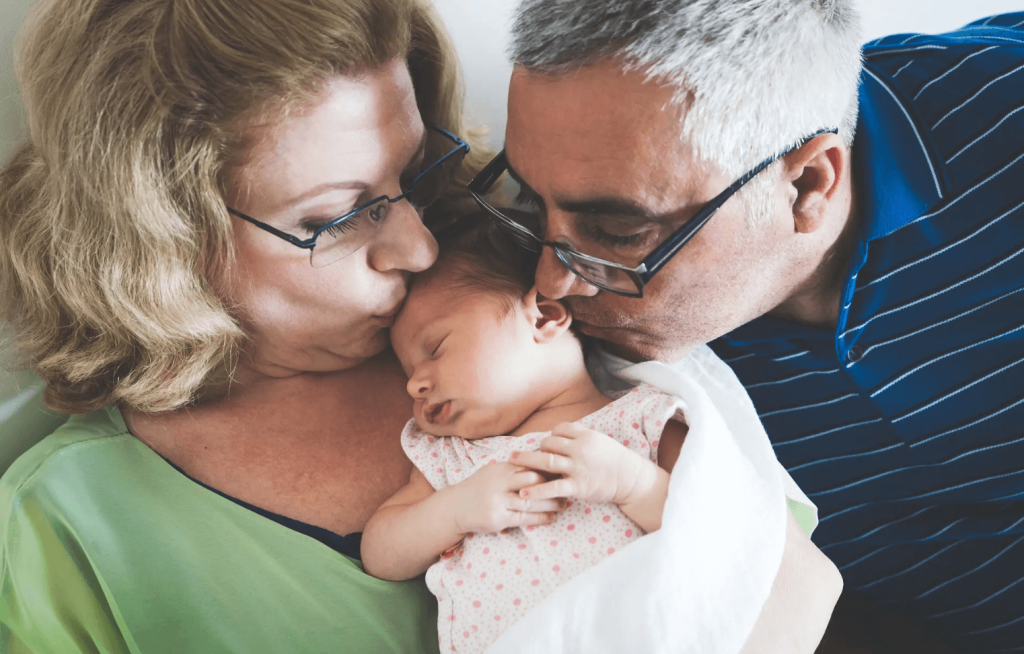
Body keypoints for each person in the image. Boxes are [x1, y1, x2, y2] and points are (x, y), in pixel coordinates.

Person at [0, 0, 839, 652]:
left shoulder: (538, 297)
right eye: (341, 214)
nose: (419, 242)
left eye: (410, 172)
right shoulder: (65, 527)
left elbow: (783, 571)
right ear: (162, 236)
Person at [481, 0, 1024, 650]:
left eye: (619, 231)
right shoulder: (554, 341)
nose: (550, 285)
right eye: (526, 199)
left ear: (806, 184)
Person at [362, 215, 688, 653]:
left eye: (436, 349)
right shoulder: (455, 458)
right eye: (408, 371)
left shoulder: (641, 419)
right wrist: (453, 511)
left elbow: (722, 528)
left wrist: (633, 484)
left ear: (543, 318)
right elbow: (381, 554)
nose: (413, 385)